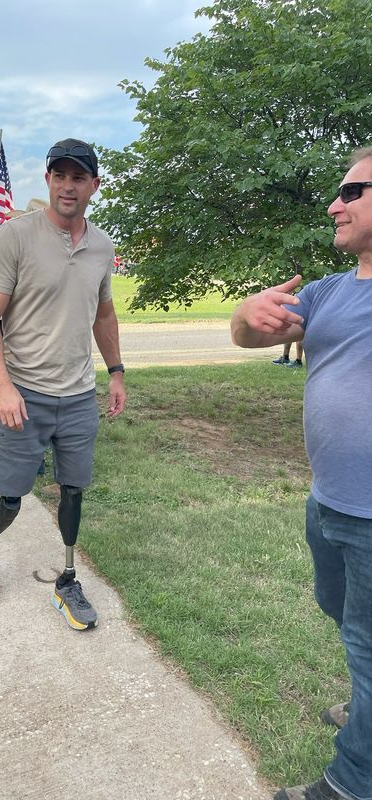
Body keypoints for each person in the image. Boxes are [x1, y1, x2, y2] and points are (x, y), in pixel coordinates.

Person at [230, 146, 372, 800]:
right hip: (328, 504)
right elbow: (248, 336)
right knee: (339, 614)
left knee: (368, 646)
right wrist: (245, 316)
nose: (332, 205)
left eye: (351, 192)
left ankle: (351, 781)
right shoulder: (327, 292)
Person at [0, 137, 126, 631]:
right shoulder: (16, 236)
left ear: (94, 186)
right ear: (48, 181)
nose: (67, 185)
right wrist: (2, 386)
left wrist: (116, 372)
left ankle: (68, 577)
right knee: (13, 497)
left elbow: (103, 314)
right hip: (24, 393)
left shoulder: (102, 246)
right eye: (59, 175)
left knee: (74, 490)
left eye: (77, 177)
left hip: (78, 395)